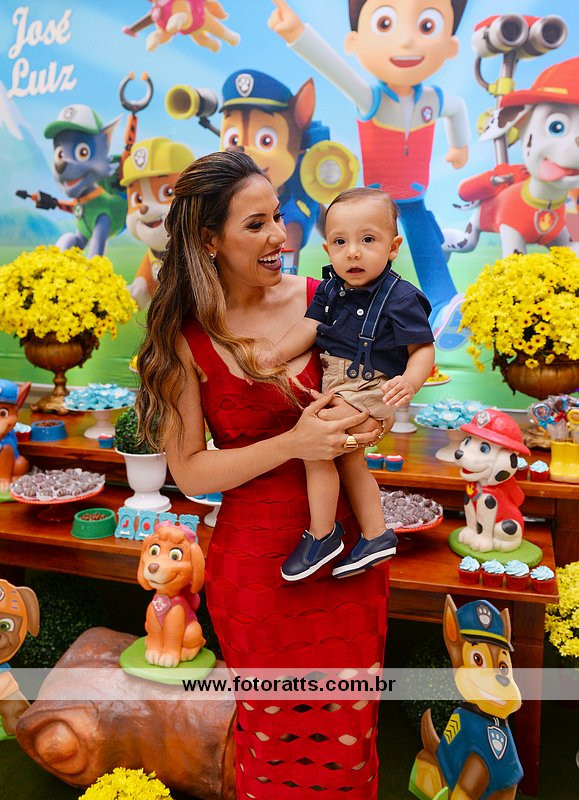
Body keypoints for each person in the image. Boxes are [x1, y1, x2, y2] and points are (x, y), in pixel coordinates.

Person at [136, 150, 390, 799]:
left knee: (347, 734)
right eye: (256, 224)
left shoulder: (327, 298)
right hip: (257, 574)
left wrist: (370, 416)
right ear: (209, 241)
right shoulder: (185, 336)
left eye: (277, 216)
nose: (280, 235)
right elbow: (191, 471)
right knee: (272, 741)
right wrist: (294, 443)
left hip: (346, 561)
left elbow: (374, 386)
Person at [269, 0, 471, 349]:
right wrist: (298, 35)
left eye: (426, 26)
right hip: (377, 200)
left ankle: (443, 307)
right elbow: (335, 70)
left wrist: (459, 146)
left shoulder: (432, 99)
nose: (406, 41)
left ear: (451, 45)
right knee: (365, 254)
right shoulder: (371, 99)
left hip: (414, 194)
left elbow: (457, 109)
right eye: (385, 24)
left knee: (423, 238)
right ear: (355, 42)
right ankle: (363, 319)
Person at [259, 188, 434, 581]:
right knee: (349, 460)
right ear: (327, 248)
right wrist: (275, 355)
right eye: (340, 242)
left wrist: (411, 380)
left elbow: (423, 348)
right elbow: (309, 326)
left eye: (367, 240)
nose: (353, 253)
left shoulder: (401, 298)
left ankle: (323, 535)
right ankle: (375, 534)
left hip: (372, 387)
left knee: (315, 444)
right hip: (338, 384)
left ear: (393, 247)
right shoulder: (330, 289)